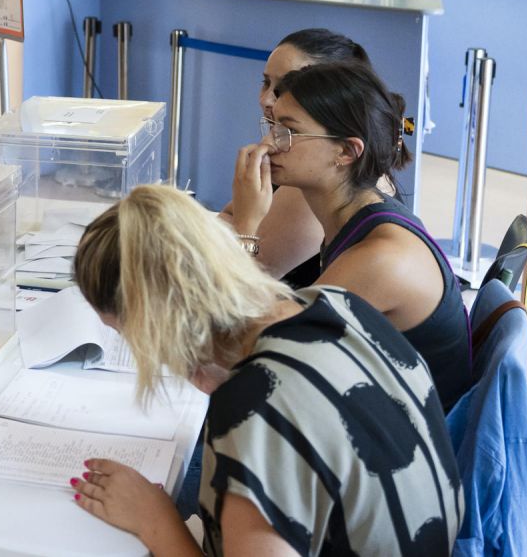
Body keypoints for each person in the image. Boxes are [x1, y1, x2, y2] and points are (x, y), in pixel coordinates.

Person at [70, 184, 462, 556]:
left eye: (126, 332)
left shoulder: (251, 409)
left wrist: (153, 519)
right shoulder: (338, 305)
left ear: (156, 321)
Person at [233, 60, 471, 410]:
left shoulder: (381, 257)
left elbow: (255, 348)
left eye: (288, 131)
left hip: (405, 453)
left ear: (346, 151)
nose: (269, 144)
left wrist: (246, 226)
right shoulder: (352, 219)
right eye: (271, 126)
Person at [221, 28, 372, 280]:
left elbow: (238, 285)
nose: (268, 100)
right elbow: (229, 215)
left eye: (287, 87)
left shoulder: (316, 175)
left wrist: (244, 226)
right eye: (266, 83)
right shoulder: (301, 156)